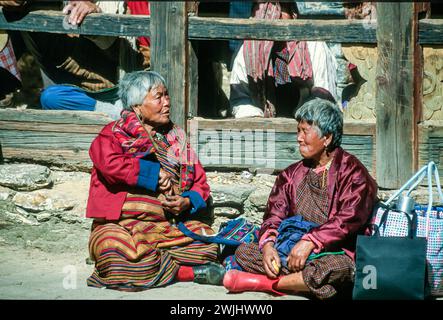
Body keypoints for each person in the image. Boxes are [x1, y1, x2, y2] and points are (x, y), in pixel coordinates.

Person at [223, 97, 378, 299]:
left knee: (336, 268)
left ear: (327, 138)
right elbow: (274, 216)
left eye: (305, 131)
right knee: (244, 251)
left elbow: (348, 220)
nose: (299, 137)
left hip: (333, 251)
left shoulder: (354, 174)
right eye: (298, 131)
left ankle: (265, 283)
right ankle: (302, 283)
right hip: (291, 248)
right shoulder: (290, 175)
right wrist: (269, 246)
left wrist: (310, 242)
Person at [86, 71, 225, 291]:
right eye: (158, 97)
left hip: (166, 227)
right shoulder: (113, 134)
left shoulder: (176, 138)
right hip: (121, 226)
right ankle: (187, 272)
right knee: (113, 251)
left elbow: (200, 182)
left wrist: (187, 201)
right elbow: (108, 163)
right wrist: (152, 174)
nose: (167, 102)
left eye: (167, 95)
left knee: (208, 243)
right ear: (137, 105)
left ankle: (157, 263)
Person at [229, 2, 337, 119]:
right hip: (264, 124)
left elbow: (324, 94)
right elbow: (240, 98)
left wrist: (304, 118)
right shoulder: (248, 50)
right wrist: (257, 118)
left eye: (281, 10)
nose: (276, 16)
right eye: (268, 12)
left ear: (293, 14)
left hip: (308, 123)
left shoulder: (313, 45)